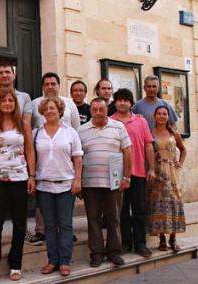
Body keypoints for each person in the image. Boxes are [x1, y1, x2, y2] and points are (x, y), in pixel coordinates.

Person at [0, 87, 36, 283]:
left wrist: (31, 175)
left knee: (20, 223)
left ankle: (15, 265)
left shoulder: (24, 124)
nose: (7, 104)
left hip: (20, 178)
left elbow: (30, 151)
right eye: (3, 101)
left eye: (10, 101)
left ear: (15, 104)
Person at [26, 72, 80, 246]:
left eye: (53, 83)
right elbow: (30, 130)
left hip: (65, 157)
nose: (50, 86)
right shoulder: (34, 104)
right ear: (43, 86)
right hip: (42, 157)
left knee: (65, 205)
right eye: (47, 84)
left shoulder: (70, 104)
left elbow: (76, 128)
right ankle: (41, 231)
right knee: (44, 203)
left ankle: (65, 232)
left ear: (58, 85)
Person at [78, 97, 132, 267]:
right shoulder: (81, 130)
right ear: (90, 111)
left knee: (114, 218)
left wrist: (126, 177)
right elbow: (77, 157)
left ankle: (114, 252)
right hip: (90, 183)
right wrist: (78, 181)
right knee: (93, 219)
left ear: (107, 109)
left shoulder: (118, 127)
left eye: (101, 109)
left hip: (114, 182)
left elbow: (127, 153)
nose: (98, 113)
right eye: (95, 110)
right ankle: (97, 253)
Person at [34, 97, 83, 277]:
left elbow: (78, 159)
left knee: (65, 225)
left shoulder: (70, 132)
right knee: (49, 226)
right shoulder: (36, 133)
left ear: (60, 110)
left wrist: (78, 180)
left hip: (66, 185)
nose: (49, 111)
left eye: (53, 108)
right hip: (44, 185)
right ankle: (52, 260)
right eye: (46, 109)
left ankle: (64, 261)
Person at [110, 89, 156, 258]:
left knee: (139, 210)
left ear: (131, 103)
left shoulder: (141, 122)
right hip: (118, 175)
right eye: (119, 100)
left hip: (138, 173)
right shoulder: (110, 122)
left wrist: (151, 168)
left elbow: (148, 145)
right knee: (121, 211)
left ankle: (140, 243)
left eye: (126, 100)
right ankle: (125, 243)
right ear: (115, 103)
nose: (122, 103)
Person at [147, 106, 187, 253]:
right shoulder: (150, 133)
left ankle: (173, 239)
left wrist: (180, 163)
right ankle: (162, 239)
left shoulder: (174, 133)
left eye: (164, 114)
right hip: (156, 173)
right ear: (154, 115)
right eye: (159, 113)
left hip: (172, 174)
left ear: (168, 116)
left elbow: (183, 150)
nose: (161, 116)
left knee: (173, 203)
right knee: (158, 204)